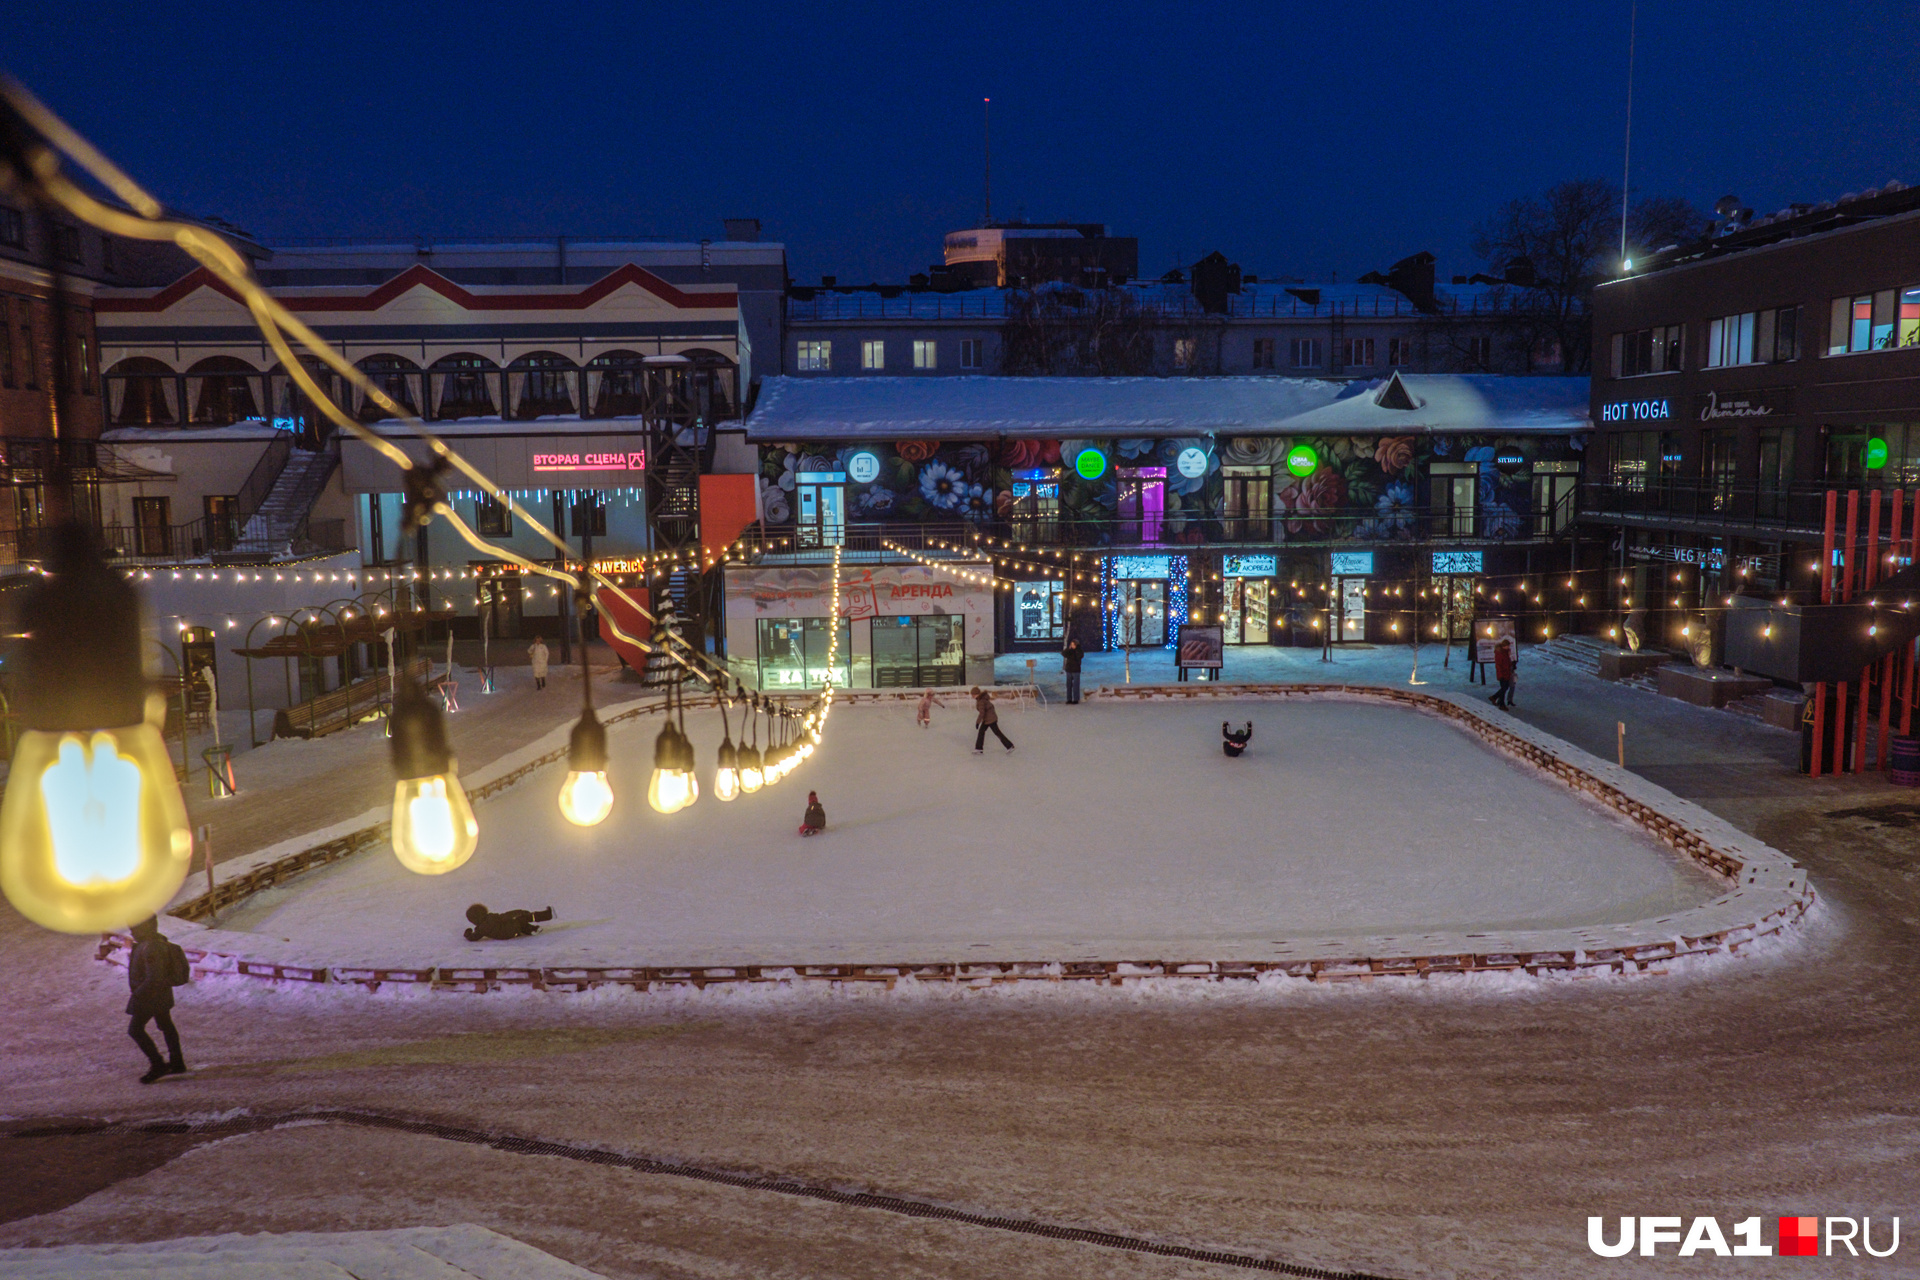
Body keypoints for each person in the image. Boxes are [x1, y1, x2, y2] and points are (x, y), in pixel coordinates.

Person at [126, 917, 188, 1084]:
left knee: (135, 1030)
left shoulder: (151, 947)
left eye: (134, 929)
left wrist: (139, 994)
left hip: (150, 996)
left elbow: (154, 977)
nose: (132, 933)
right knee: (166, 1025)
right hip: (160, 994)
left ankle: (158, 1064)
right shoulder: (154, 943)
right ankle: (177, 1062)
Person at [463, 902, 555, 941]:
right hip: (510, 931)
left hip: (504, 935)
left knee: (519, 924)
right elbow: (506, 916)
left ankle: (532, 930)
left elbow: (473, 938)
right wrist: (520, 912)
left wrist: (468, 933)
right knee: (522, 919)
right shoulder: (491, 918)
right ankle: (547, 915)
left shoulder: (480, 930)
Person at [972, 686, 1014, 754]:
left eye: (973, 695)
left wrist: (977, 722)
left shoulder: (981, 701)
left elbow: (982, 713)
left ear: (977, 694)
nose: (972, 696)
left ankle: (1009, 746)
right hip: (989, 718)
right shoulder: (982, 699)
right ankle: (979, 748)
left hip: (990, 719)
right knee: (982, 732)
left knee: (996, 732)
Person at [1489, 637, 1517, 709]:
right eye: (1507, 646)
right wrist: (1501, 675)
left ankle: (1496, 699)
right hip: (1503, 673)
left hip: (1506, 673)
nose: (1508, 647)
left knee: (1504, 688)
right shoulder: (1500, 653)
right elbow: (1499, 665)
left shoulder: (1505, 652)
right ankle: (1500, 703)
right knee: (1504, 688)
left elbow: (1507, 662)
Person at [1062, 637, 1084, 705]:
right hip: (1069, 669)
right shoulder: (1069, 651)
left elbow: (1079, 656)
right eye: (1071, 644)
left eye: (1073, 644)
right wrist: (1068, 649)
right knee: (1068, 685)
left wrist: (1074, 650)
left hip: (1076, 670)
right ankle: (1069, 699)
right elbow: (1063, 653)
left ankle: (1076, 699)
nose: (1072, 646)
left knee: (1076, 685)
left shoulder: (1079, 651)